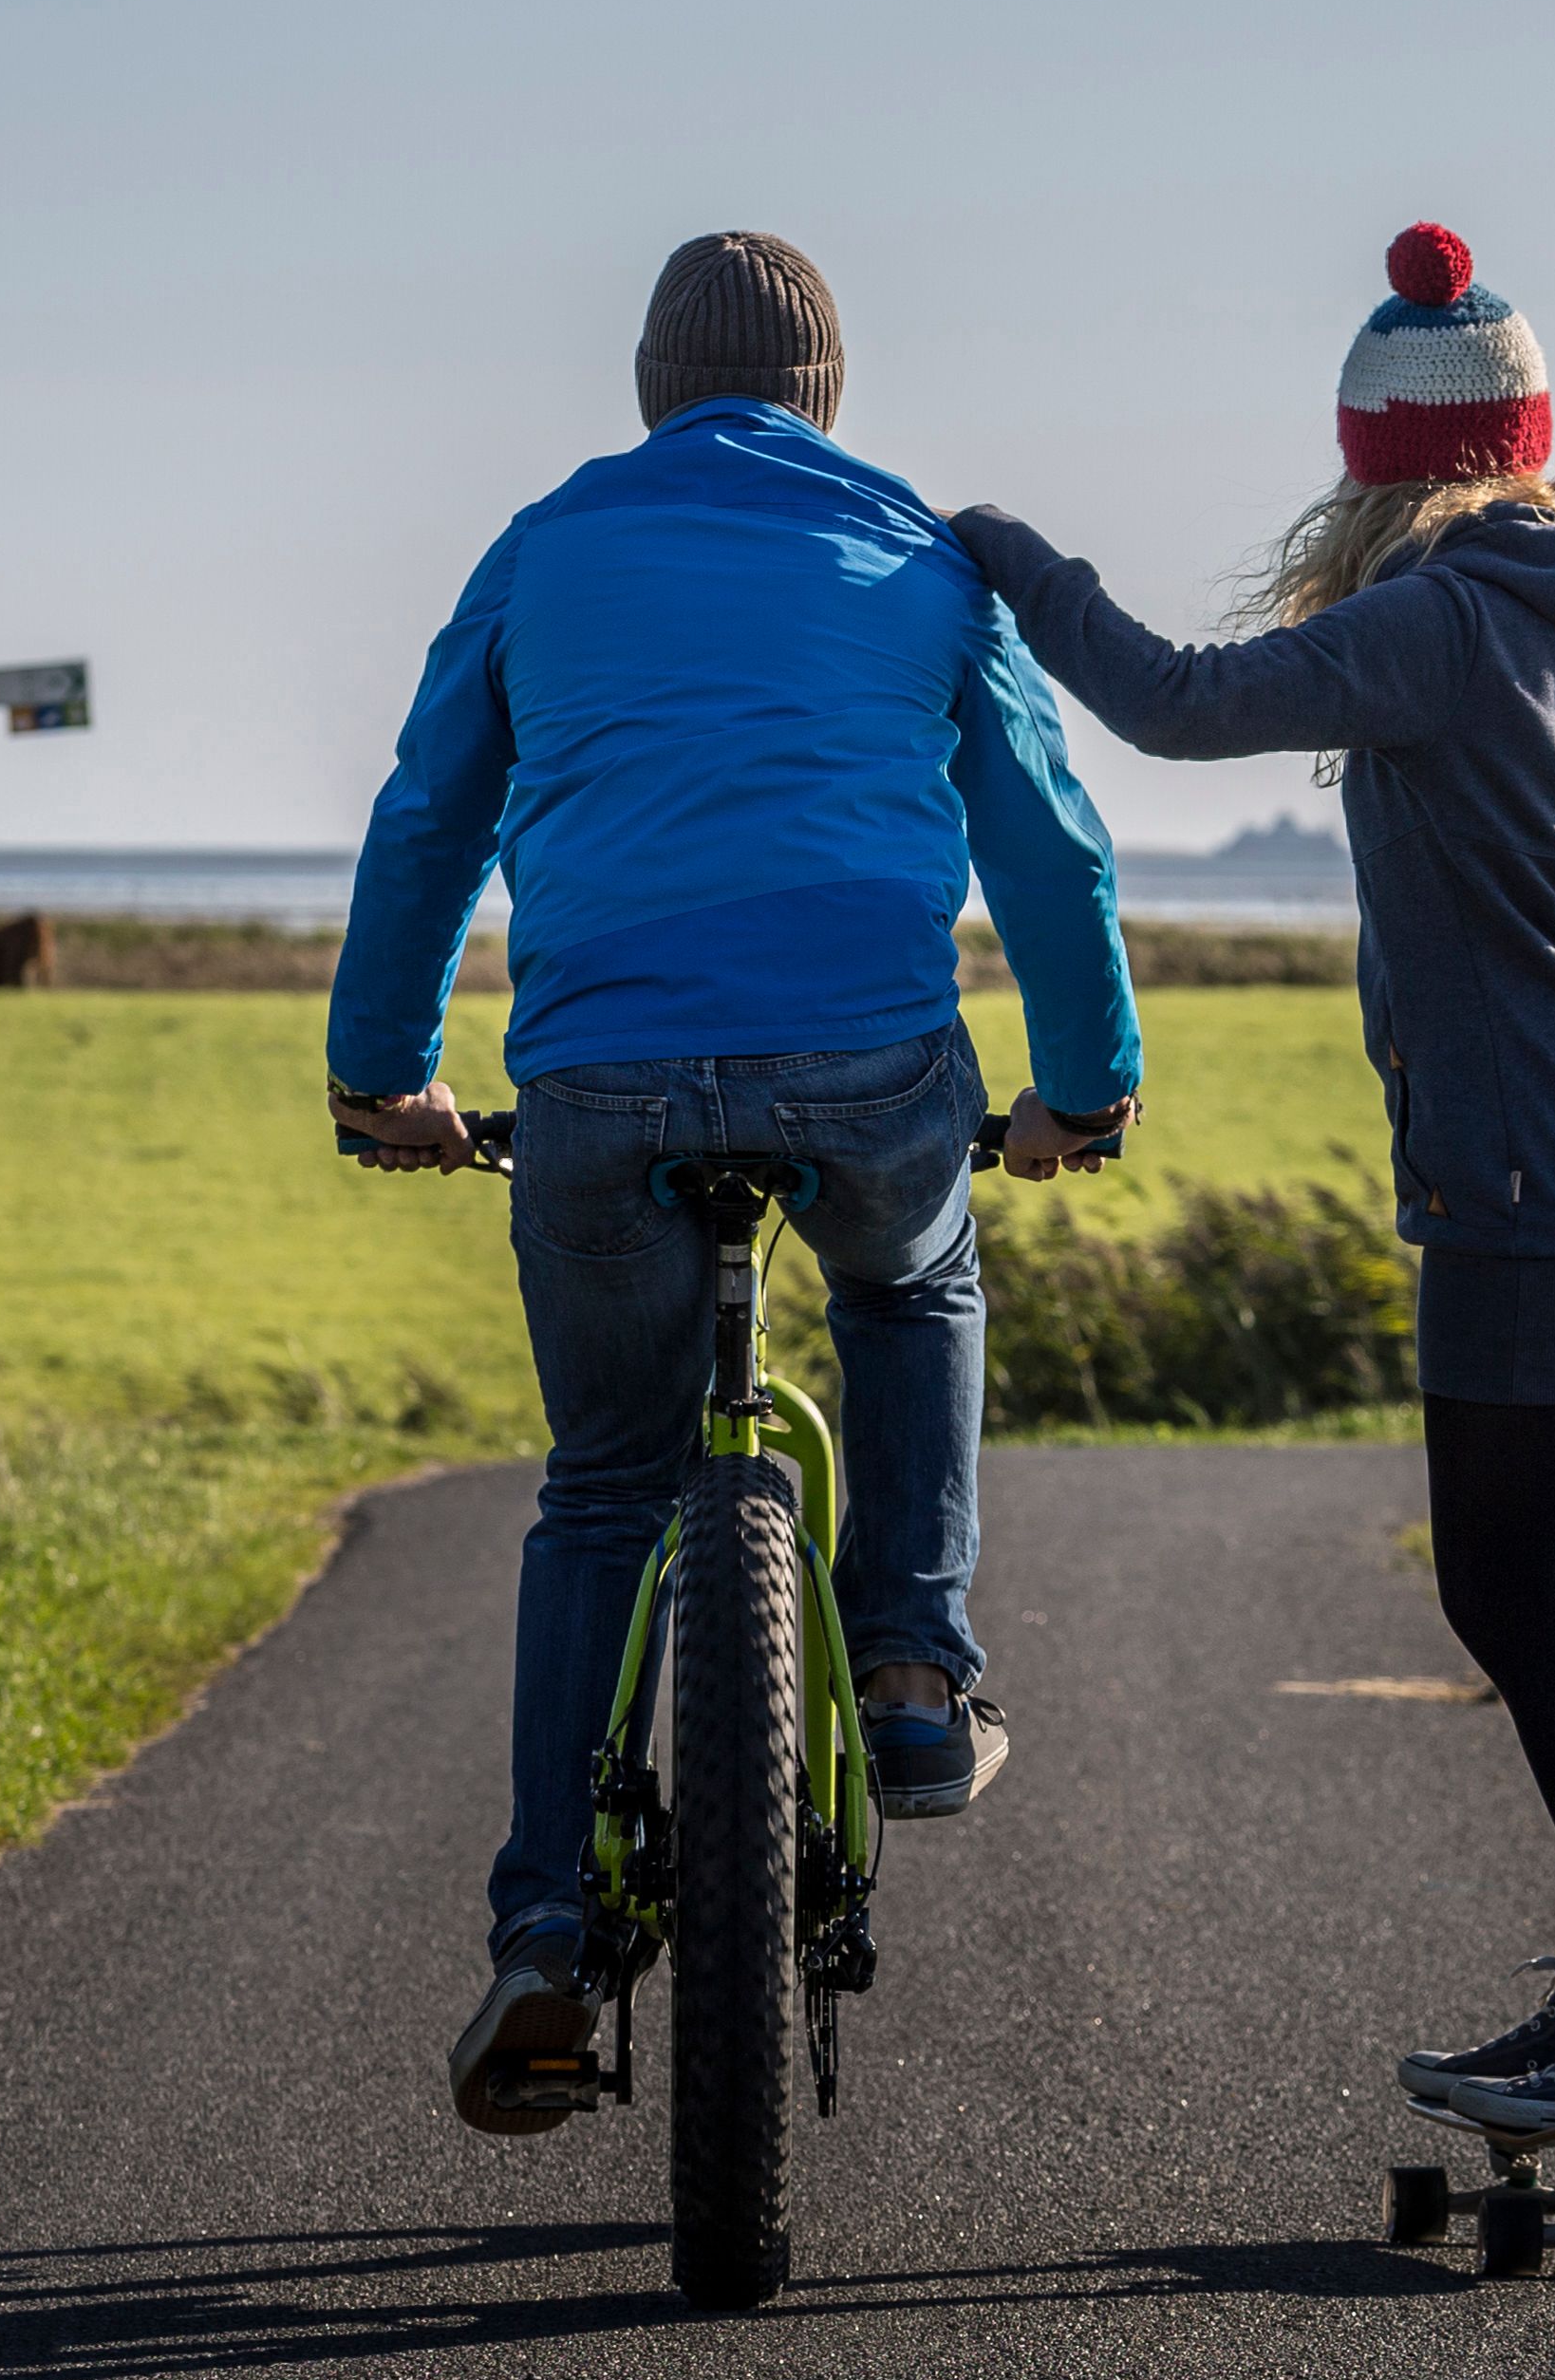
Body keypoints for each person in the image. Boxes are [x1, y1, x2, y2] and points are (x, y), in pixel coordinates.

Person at [331, 230, 1142, 2135]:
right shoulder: (922, 553)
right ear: (829, 391)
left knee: (610, 1482)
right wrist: (1081, 1089)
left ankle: (543, 1931)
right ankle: (920, 1665)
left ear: (650, 384)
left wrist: (387, 1072)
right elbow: (1049, 839)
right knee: (913, 1277)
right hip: (868, 1064)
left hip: (598, 1079)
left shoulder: (544, 545)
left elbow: (429, 812)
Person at [946, 222, 1555, 2133]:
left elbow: (1174, 700)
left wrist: (1009, 555)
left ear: (1379, 457)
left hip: (1529, 1170)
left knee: (1513, 1593)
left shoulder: (1445, 619)